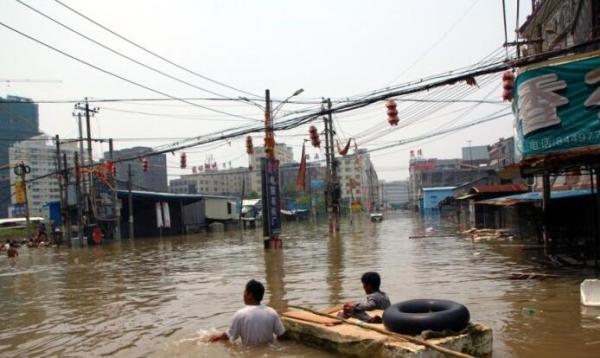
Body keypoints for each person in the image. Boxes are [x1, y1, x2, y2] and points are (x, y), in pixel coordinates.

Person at [209, 279, 285, 345]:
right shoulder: (272, 312)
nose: (243, 295)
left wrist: (215, 337)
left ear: (250, 295)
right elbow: (281, 335)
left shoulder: (240, 314)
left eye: (245, 292)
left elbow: (228, 336)